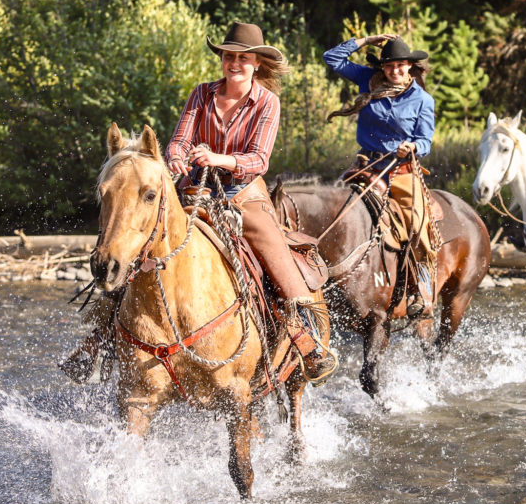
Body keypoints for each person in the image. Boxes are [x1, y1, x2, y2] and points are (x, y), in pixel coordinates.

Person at [61, 22, 336, 385]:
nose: (233, 63)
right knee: (143, 249)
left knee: (274, 254)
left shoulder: (268, 102)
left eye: (242, 58)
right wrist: (175, 159)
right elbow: (177, 140)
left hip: (244, 195)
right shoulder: (201, 94)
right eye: (228, 56)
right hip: (193, 190)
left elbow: (258, 160)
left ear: (256, 64)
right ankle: (100, 340)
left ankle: (306, 340)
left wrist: (219, 160)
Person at [323, 33, 438, 317]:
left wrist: (413, 146)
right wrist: (364, 40)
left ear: (410, 65)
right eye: (388, 66)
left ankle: (421, 286)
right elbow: (332, 58)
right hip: (366, 166)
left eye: (400, 65)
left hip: (401, 169)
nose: (394, 71)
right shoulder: (368, 80)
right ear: (382, 67)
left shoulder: (422, 100)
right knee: (332, 213)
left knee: (417, 222)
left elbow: (426, 141)